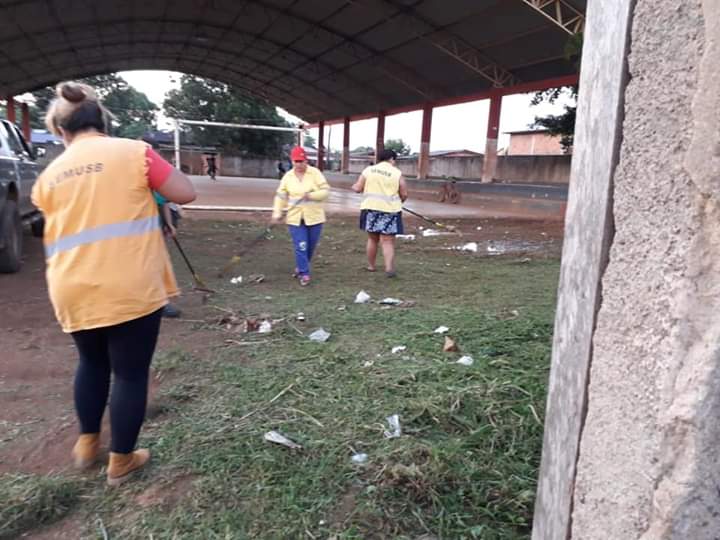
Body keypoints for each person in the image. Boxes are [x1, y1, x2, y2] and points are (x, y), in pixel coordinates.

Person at [31, 81, 196, 486]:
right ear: (103, 120)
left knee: (90, 363)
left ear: (61, 131)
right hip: (129, 285)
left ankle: (87, 445)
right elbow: (185, 193)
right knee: (129, 373)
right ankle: (121, 461)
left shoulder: (49, 174)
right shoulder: (133, 152)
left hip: (71, 286)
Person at [271, 146, 330, 286]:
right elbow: (280, 196)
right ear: (292, 161)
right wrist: (277, 213)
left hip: (314, 217)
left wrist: (311, 195)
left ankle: (301, 266)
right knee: (301, 245)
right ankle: (304, 273)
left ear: (306, 160)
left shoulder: (315, 173)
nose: (298, 164)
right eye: (296, 161)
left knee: (310, 246)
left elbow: (326, 191)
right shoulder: (288, 177)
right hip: (295, 217)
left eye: (301, 161)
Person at [351, 149, 408, 277]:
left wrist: (354, 187)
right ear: (392, 159)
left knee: (372, 239)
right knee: (387, 241)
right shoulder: (396, 173)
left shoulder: (368, 170)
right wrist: (400, 202)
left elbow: (358, 188)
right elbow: (404, 193)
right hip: (390, 210)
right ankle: (389, 268)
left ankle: (371, 266)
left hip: (370, 209)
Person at [153, 191, 182, 318]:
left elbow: (164, 203)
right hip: (136, 233)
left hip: (154, 228)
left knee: (157, 264)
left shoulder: (149, 176)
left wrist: (169, 223)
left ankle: (160, 301)